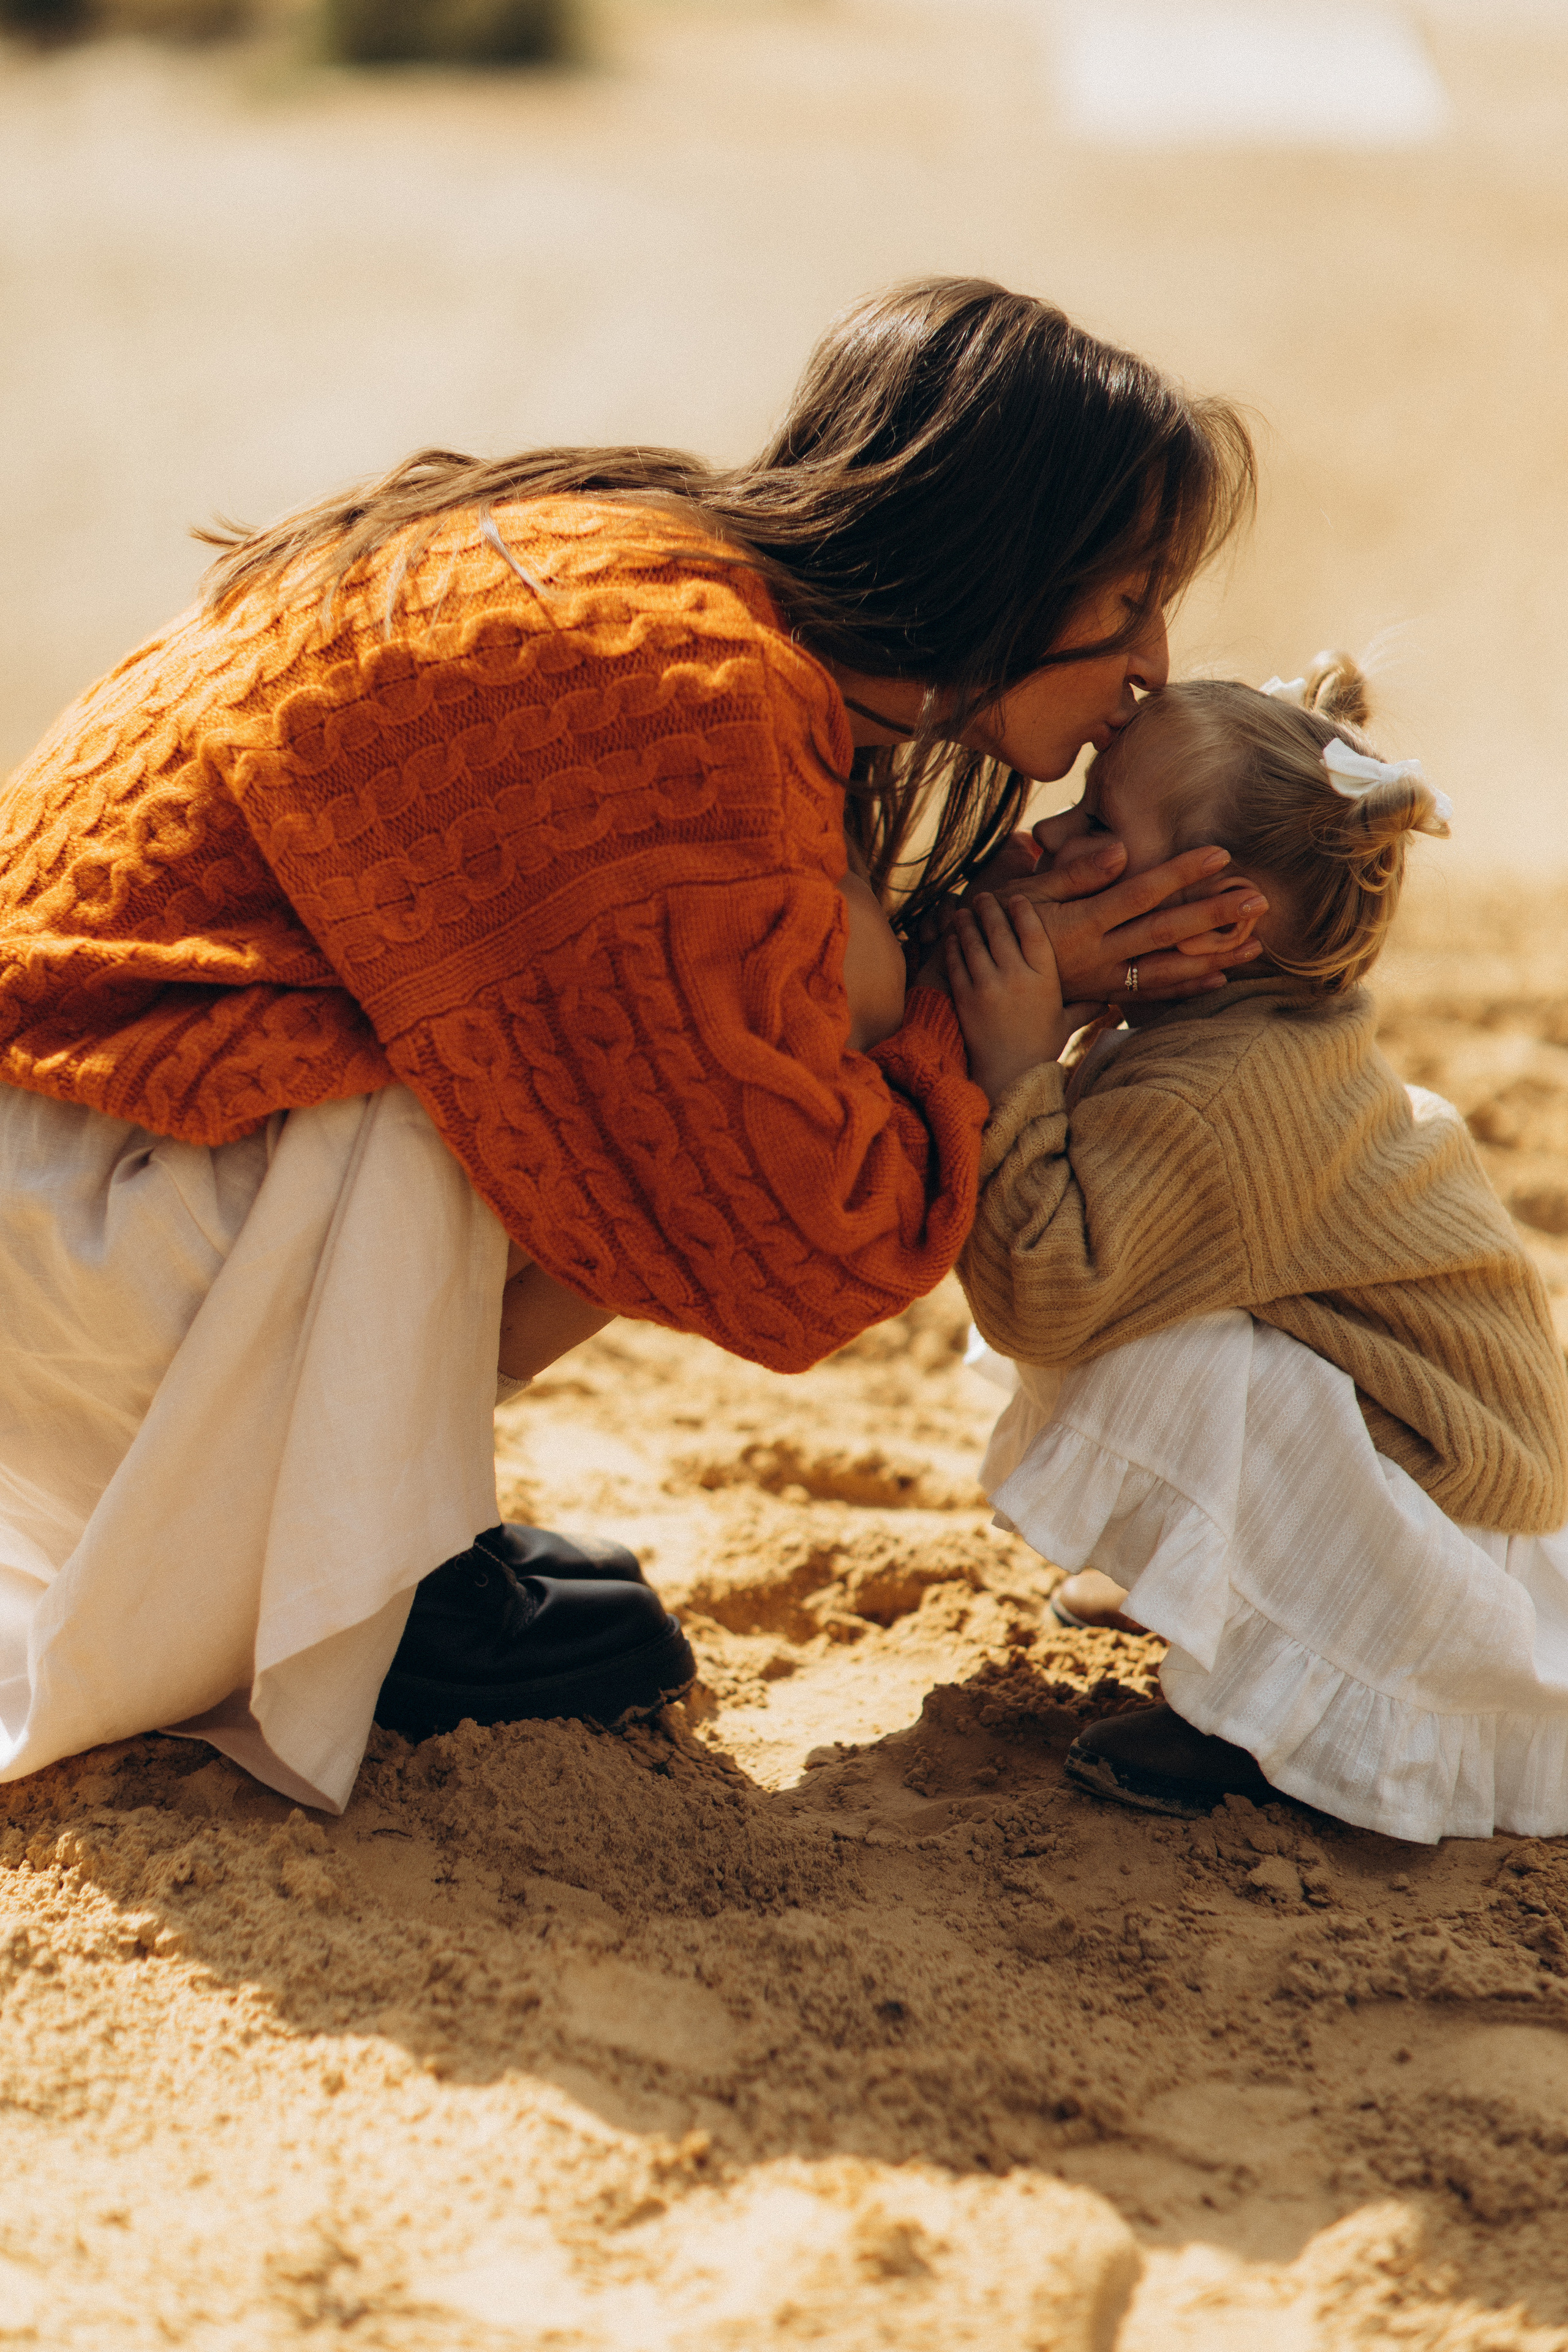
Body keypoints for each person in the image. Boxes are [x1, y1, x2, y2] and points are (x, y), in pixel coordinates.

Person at [0, 277, 1260, 1811]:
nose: (1150, 662)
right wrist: (1002, 1003)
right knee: (674, 1089)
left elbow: (780, 999)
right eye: (1125, 599)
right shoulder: (696, 698)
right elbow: (785, 1226)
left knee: (767, 1013)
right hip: (85, 1204)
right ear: (998, 557)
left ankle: (370, 1512)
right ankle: (333, 1563)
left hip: (78, 1166)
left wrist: (962, 954)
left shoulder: (680, 577)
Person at [946, 654, 1568, 1844]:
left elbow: (1040, 1296)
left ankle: (1274, 1721)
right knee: (1156, 1303)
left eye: (1098, 825)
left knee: (1139, 1345)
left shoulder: (1211, 1100)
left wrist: (1016, 1070)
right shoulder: (1252, 1017)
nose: (1052, 839)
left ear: (1223, 918)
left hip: (1441, 1532)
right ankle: (1237, 1596)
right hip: (1445, 1472)